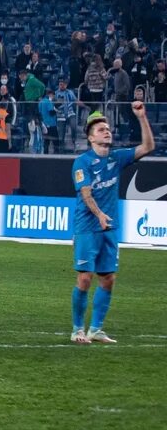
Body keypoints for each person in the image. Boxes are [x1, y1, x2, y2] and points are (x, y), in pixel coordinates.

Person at [70, 103, 154, 344]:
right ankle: (77, 330)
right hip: (87, 226)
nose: (106, 131)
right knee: (85, 278)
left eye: (107, 128)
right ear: (90, 137)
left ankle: (95, 329)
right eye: (100, 130)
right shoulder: (82, 162)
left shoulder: (117, 158)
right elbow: (86, 193)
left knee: (108, 278)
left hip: (109, 227)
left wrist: (142, 117)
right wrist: (98, 214)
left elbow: (148, 146)